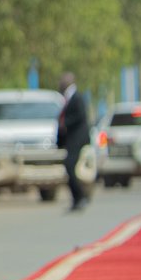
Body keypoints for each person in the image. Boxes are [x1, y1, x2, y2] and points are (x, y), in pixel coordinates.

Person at [56, 73, 91, 211]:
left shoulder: (77, 98)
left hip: (77, 139)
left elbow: (80, 116)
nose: (61, 82)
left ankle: (81, 196)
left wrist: (65, 123)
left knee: (70, 165)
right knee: (69, 167)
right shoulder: (67, 98)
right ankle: (78, 198)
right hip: (71, 139)